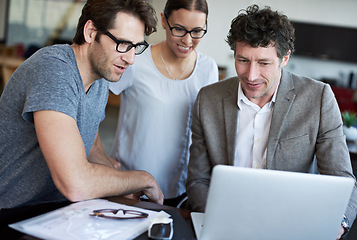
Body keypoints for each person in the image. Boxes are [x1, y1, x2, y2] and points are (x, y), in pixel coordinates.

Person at [186, 4, 357, 239]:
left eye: (264, 63)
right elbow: (198, 180)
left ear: (284, 58)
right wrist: (217, 220)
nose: (251, 75)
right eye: (242, 60)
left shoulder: (318, 98)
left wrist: (337, 225)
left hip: (292, 226)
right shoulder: (208, 99)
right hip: (226, 223)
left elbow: (342, 180)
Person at [0, 0, 164, 210]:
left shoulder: (101, 77)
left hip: (59, 210)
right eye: (123, 44)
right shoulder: (54, 70)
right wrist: (143, 179)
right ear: (90, 32)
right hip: (11, 213)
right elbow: (74, 183)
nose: (131, 58)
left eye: (136, 47)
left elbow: (91, 145)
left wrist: (121, 182)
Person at [109, 0, 218, 206]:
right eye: (179, 29)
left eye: (197, 31)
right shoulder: (136, 61)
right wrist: (101, 159)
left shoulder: (208, 68)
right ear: (163, 21)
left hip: (182, 191)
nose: (187, 40)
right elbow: (90, 103)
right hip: (130, 187)